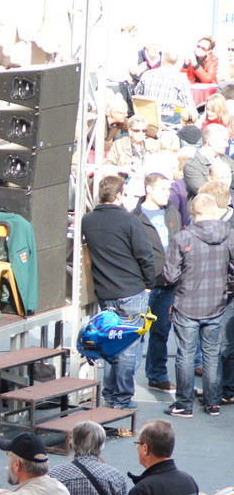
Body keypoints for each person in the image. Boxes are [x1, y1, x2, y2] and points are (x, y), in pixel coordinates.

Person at [81, 175, 155, 410]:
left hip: (106, 292)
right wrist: (149, 283)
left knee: (111, 343)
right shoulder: (129, 220)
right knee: (127, 347)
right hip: (131, 290)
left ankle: (111, 396)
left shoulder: (87, 220)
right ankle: (121, 399)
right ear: (120, 195)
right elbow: (145, 255)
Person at [163, 193, 234, 417]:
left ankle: (184, 404)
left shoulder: (183, 238)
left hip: (187, 303)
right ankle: (213, 402)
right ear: (214, 210)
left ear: (193, 212)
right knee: (212, 353)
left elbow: (170, 275)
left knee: (186, 354)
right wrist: (226, 288)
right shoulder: (229, 234)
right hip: (216, 303)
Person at [132, 173, 180, 393]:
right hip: (144, 285)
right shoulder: (135, 217)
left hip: (169, 283)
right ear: (148, 190)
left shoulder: (172, 212)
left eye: (169, 189)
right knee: (137, 334)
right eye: (163, 189)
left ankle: (157, 376)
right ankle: (126, 383)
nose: (167, 193)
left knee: (161, 331)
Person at [133, 51, 195, 126]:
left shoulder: (147, 74)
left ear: (162, 59)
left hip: (147, 117)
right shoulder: (180, 77)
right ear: (176, 62)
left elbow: (136, 94)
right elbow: (188, 102)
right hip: (166, 119)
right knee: (191, 115)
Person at [183, 124, 234, 197]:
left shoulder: (228, 161)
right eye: (224, 140)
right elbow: (204, 192)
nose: (227, 145)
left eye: (227, 141)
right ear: (210, 142)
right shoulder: (192, 166)